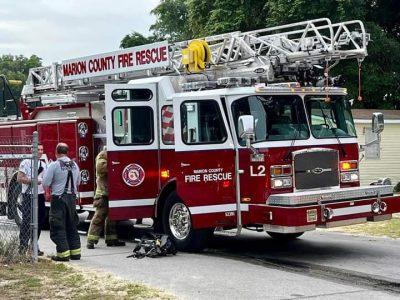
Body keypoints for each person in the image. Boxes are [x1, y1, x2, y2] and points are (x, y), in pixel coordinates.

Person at [43, 143, 81, 261]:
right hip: (71, 200)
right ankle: (75, 253)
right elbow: (78, 182)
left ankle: (63, 254)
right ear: (67, 152)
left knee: (58, 226)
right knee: (72, 226)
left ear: (56, 152)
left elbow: (46, 183)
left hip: (59, 199)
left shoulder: (54, 165)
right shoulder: (75, 165)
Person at [87, 148, 125, 249]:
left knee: (112, 217)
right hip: (103, 194)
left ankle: (111, 239)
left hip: (112, 193)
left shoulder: (112, 155)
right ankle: (91, 240)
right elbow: (101, 168)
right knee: (99, 217)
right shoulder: (102, 155)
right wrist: (116, 164)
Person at [17, 143, 47, 256]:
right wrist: (33, 181)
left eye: (41, 149)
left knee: (40, 221)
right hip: (28, 194)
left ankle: (34, 246)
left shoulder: (43, 164)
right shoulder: (25, 162)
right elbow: (19, 178)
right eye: (38, 149)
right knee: (26, 221)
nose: (40, 151)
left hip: (39, 195)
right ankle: (22, 246)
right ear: (32, 150)